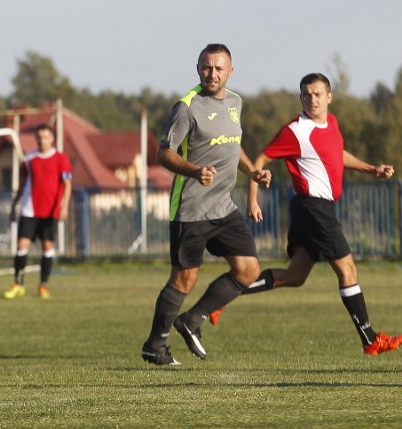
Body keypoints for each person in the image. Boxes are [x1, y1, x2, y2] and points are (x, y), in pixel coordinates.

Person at [237, 72, 402, 355]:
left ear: (329, 97)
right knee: (348, 269)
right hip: (313, 208)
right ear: (300, 98)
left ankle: (222, 295)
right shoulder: (295, 130)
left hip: (311, 209)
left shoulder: (332, 124)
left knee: (296, 275)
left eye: (317, 94)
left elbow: (337, 153)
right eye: (306, 94)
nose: (312, 99)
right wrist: (253, 200)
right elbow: (260, 160)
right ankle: (370, 339)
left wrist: (371, 169)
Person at [141, 43, 271, 366]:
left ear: (230, 71)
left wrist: (253, 170)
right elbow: (163, 154)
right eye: (205, 67)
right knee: (185, 278)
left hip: (223, 206)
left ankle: (192, 320)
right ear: (198, 68)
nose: (211, 74)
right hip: (190, 207)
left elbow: (233, 144)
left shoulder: (236, 103)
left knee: (248, 269)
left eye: (218, 68)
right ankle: (154, 345)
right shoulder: (187, 107)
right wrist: (195, 171)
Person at [3, 124, 72, 299]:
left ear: (52, 138)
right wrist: (14, 205)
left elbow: (67, 185)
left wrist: (64, 207)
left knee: (47, 247)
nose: (42, 140)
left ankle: (43, 285)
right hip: (29, 209)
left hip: (50, 211)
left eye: (46, 137)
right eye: (39, 137)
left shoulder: (61, 159)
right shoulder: (29, 158)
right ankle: (18, 284)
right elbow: (22, 185)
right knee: (21, 246)